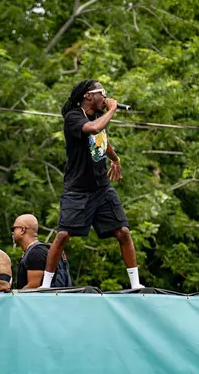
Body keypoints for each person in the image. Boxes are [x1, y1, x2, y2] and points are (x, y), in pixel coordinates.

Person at [42, 80, 143, 289]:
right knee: (63, 235)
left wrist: (115, 159)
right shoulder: (73, 118)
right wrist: (113, 108)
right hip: (77, 188)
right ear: (89, 96)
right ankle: (45, 283)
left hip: (101, 187)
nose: (105, 98)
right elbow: (94, 129)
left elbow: (102, 139)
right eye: (102, 93)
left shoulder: (97, 115)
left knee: (123, 232)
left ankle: (136, 284)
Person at [13, 214, 71, 289]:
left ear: (22, 230)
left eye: (13, 228)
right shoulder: (44, 250)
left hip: (41, 300)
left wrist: (15, 296)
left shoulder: (35, 253)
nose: (12, 232)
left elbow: (33, 287)